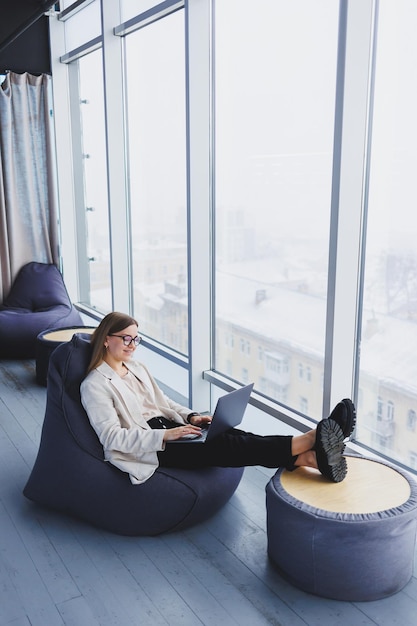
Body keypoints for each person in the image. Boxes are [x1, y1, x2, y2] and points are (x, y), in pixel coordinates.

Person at [80, 312, 356, 486]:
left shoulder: (137, 368)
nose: (132, 345)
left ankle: (308, 459)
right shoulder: (94, 384)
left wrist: (190, 417)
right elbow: (111, 438)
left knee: (234, 435)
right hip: (152, 445)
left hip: (171, 428)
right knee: (224, 447)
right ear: (106, 339)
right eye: (126, 339)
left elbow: (164, 402)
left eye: (136, 339)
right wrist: (167, 436)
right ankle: (311, 439)